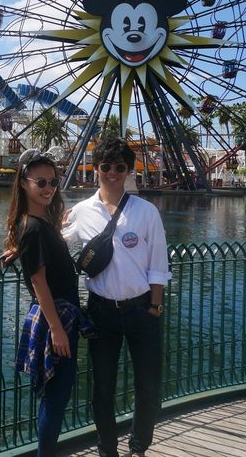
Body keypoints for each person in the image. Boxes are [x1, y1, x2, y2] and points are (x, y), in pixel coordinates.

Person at [62, 137, 171, 457]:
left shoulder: (146, 211)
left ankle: (138, 447)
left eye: (119, 167)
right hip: (101, 311)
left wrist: (155, 306)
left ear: (129, 171)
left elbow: (158, 263)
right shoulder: (81, 212)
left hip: (142, 308)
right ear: (95, 169)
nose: (112, 173)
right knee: (102, 387)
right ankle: (107, 450)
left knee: (148, 385)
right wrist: (24, 239)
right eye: (106, 166)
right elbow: (58, 244)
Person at [5, 148, 92, 457]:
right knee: (57, 396)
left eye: (53, 182)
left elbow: (39, 254)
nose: (48, 188)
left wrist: (18, 249)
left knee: (56, 393)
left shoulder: (38, 224)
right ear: (23, 183)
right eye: (40, 182)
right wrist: (56, 329)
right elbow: (38, 281)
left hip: (59, 312)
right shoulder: (32, 227)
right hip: (57, 315)